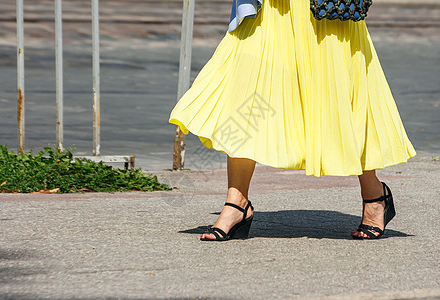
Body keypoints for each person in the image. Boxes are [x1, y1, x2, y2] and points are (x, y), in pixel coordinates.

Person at [168, 0, 416, 241]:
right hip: (273, 7)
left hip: (326, 9)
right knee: (247, 89)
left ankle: (375, 195)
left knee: (339, 93)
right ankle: (236, 203)